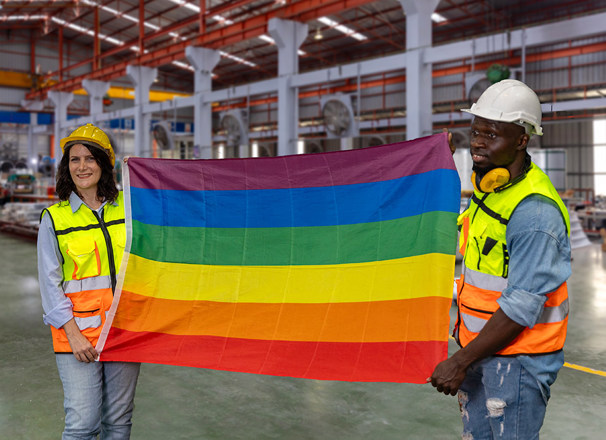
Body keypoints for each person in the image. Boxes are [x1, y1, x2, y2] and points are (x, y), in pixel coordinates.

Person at [429, 80, 571, 439]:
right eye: (475, 132)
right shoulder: (489, 191)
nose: (477, 141)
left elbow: (522, 306)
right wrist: (434, 165)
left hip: (518, 362)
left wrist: (458, 361)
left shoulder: (534, 213)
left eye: (491, 134)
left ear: (522, 139)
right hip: (480, 352)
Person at [37, 123, 140, 439]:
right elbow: (49, 284)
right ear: (66, 167)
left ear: (105, 163)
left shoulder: (130, 207)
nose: (82, 167)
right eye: (74, 160)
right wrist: (73, 335)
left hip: (124, 331)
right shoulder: (55, 218)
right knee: (82, 425)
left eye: (90, 158)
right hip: (77, 337)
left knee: (119, 423)